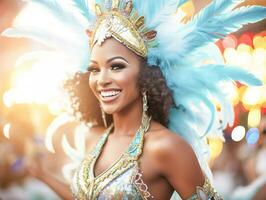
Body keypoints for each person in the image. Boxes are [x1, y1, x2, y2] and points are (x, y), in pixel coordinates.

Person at [2, 0, 266, 199]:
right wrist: (41, 174)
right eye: (95, 69)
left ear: (145, 75)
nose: (102, 79)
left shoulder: (166, 147)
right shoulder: (97, 138)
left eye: (116, 66)